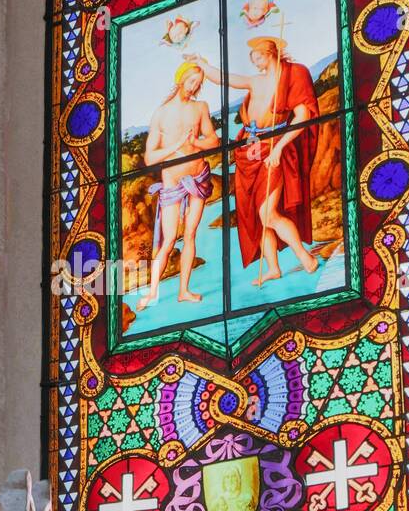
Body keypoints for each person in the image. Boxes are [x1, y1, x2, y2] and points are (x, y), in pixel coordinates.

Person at [191, 39, 319, 282]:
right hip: (250, 152)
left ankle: (305, 257)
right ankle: (273, 268)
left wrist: (279, 148)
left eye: (258, 57)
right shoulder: (256, 81)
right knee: (256, 216)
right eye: (253, 59)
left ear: (270, 52)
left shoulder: (293, 75)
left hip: (273, 149)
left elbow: (303, 116)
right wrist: (201, 63)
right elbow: (224, 78)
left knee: (268, 213)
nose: (255, 62)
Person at [136, 60, 219, 309]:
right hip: (172, 183)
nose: (194, 87)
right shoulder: (161, 114)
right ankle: (152, 292)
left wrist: (197, 144)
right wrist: (177, 145)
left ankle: (184, 290)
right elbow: (150, 158)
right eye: (192, 81)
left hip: (198, 177)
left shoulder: (200, 107)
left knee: (191, 233)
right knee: (169, 238)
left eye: (199, 83)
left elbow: (213, 140)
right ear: (181, 78)